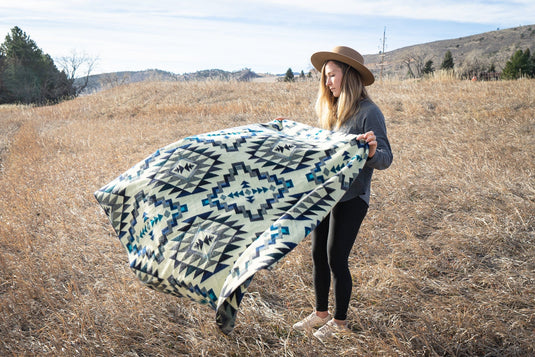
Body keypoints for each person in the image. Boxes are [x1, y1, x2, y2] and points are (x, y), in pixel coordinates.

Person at [292, 46, 393, 342]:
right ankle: (320, 313)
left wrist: (372, 152)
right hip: (326, 195)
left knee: (337, 257)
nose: (327, 83)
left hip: (353, 198)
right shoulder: (333, 111)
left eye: (332, 75)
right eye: (325, 77)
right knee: (317, 255)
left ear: (348, 75)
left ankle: (339, 323)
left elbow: (386, 157)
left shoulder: (369, 113)